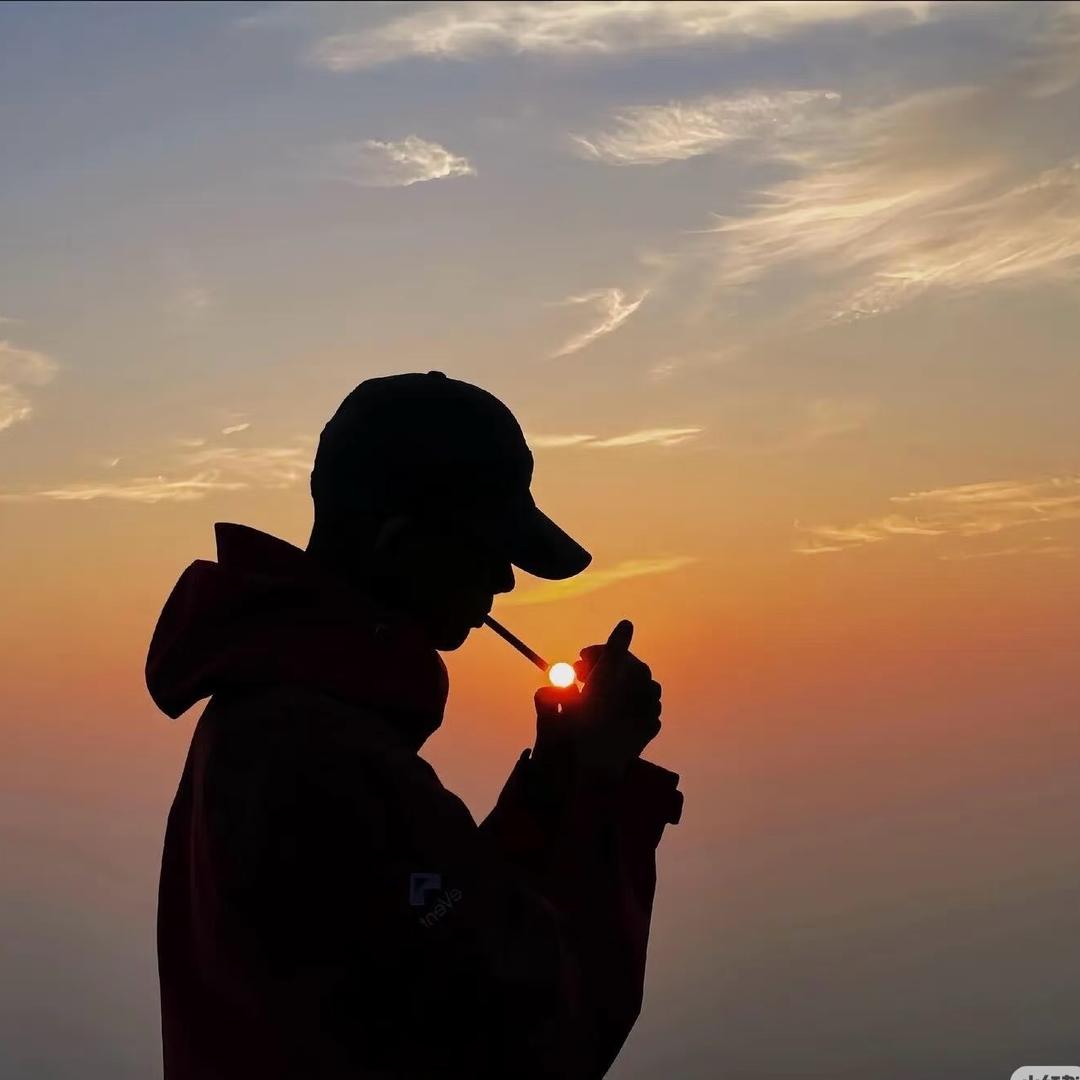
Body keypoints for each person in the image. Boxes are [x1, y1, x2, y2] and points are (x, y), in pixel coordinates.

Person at [146, 371, 683, 1079]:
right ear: (399, 544)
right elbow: (540, 1033)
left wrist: (558, 777)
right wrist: (602, 783)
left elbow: (458, 923)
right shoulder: (325, 759)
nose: (505, 581)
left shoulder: (278, 719)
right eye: (489, 550)